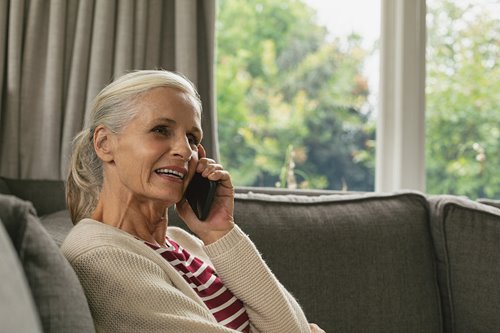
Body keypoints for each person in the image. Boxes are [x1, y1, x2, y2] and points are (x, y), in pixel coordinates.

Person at [62, 70, 325, 333]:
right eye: (161, 130)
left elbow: (293, 328)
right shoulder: (101, 256)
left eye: (192, 138)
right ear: (104, 143)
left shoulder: (186, 242)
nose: (185, 150)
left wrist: (220, 232)